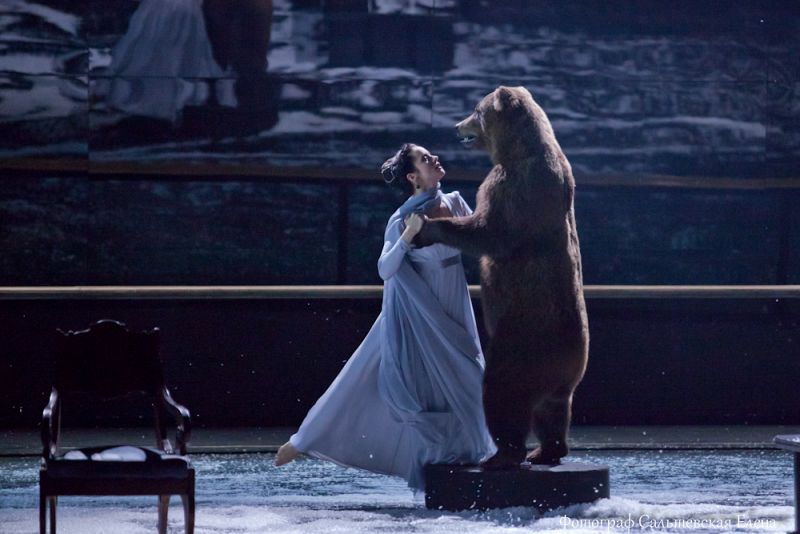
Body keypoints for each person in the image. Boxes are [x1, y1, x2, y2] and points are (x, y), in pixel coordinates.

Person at [275, 144, 496, 491]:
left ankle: (466, 458)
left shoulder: (454, 202)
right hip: (424, 313)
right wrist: (409, 235)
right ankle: (306, 440)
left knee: (467, 375)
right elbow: (385, 268)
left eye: (432, 155)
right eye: (426, 159)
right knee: (437, 381)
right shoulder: (401, 219)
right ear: (413, 177)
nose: (435, 159)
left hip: (453, 302)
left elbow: (478, 240)